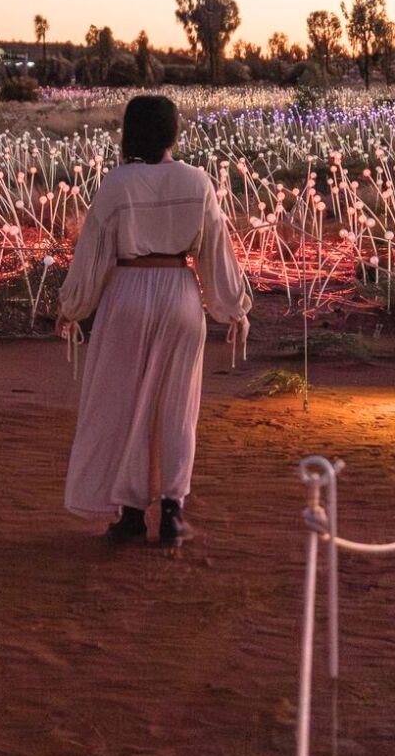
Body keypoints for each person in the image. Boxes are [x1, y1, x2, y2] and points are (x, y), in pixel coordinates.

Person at [56, 95, 250, 545]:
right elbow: (215, 251)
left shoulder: (117, 184)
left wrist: (72, 306)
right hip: (181, 294)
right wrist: (233, 307)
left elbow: (93, 256)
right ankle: (171, 511)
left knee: (122, 405)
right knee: (178, 408)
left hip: (127, 294)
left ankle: (126, 512)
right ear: (171, 132)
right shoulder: (197, 182)